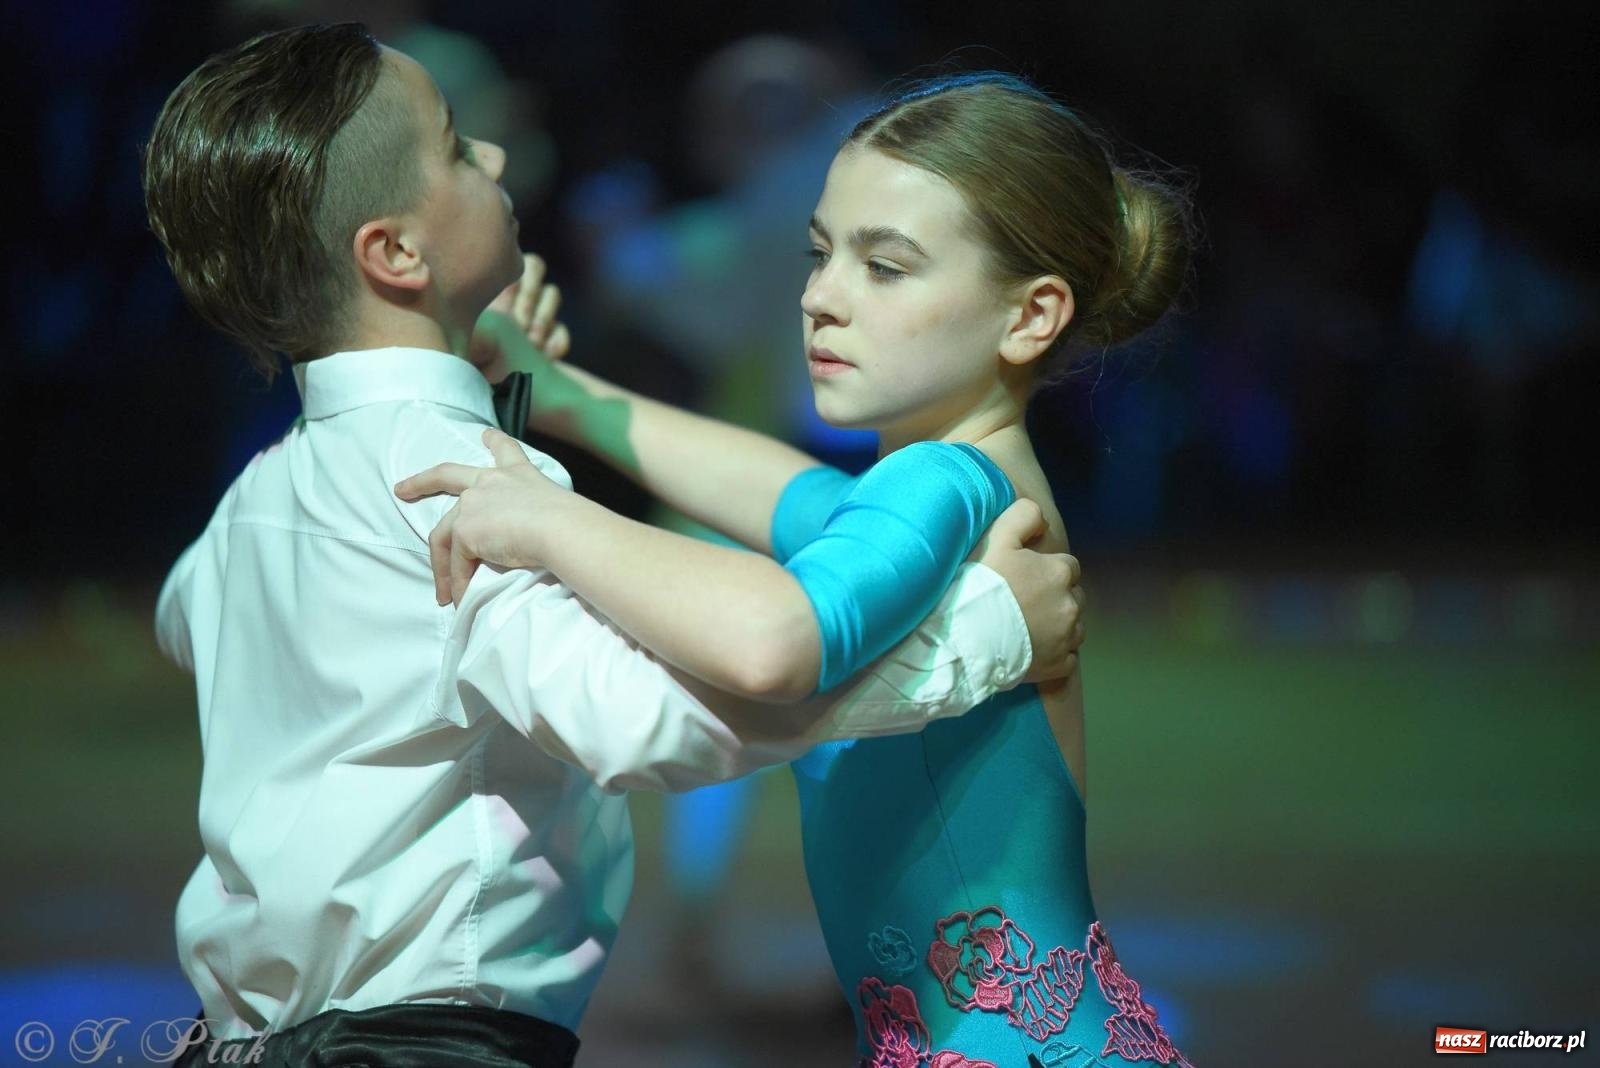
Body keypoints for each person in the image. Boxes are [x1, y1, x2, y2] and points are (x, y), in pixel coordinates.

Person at [145, 26, 1087, 1067]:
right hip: (422, 1044)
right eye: (456, 145)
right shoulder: (463, 482)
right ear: (395, 252)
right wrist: (982, 634)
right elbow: (659, 708)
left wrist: (548, 408)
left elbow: (185, 613)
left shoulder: (266, 495)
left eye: (884, 265)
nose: (494, 156)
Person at [398, 72, 1196, 1066]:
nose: (820, 297)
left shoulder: (943, 482)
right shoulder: (952, 485)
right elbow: (784, 490)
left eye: (885, 267)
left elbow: (776, 639)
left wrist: (548, 517)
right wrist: (561, 392)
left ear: (1030, 316)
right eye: (821, 254)